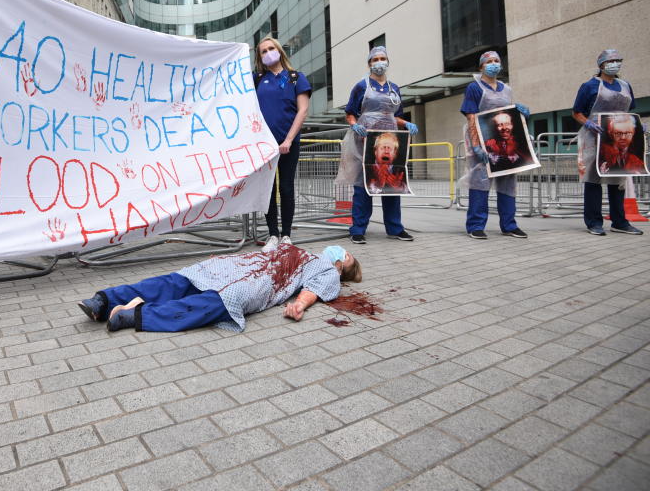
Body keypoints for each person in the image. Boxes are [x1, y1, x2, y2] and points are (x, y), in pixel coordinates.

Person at [77, 244, 362, 332]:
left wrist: (298, 305)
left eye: (346, 255)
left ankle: (136, 315)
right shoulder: (304, 249)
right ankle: (103, 300)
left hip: (266, 280)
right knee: (182, 278)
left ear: (342, 268)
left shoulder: (328, 272)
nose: (340, 251)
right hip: (247, 263)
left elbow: (311, 289)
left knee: (222, 300)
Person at [337, 46, 417, 244]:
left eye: (383, 58)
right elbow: (350, 112)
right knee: (363, 185)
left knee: (391, 183)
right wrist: (355, 126)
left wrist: (406, 123)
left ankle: (395, 228)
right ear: (369, 63)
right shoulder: (361, 86)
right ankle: (357, 229)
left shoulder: (394, 88)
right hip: (365, 141)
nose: (379, 62)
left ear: (388, 62)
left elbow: (395, 116)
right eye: (375, 59)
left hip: (389, 139)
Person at [459, 51, 530, 240]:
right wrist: (476, 145)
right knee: (480, 182)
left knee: (508, 184)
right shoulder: (474, 88)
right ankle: (475, 225)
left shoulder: (506, 89)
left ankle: (509, 225)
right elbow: (471, 117)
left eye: (496, 61)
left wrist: (518, 110)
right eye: (489, 61)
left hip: (506, 144)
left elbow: (506, 113)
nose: (493, 64)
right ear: (481, 66)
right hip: (483, 142)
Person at [573, 49, 644, 236]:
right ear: (602, 65)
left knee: (618, 180)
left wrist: (637, 125)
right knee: (593, 180)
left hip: (618, 137)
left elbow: (630, 111)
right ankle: (594, 222)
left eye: (618, 60)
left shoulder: (625, 85)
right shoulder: (589, 86)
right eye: (611, 60)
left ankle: (619, 222)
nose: (615, 63)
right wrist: (588, 122)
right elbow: (577, 112)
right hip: (593, 138)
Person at [253, 36, 311, 252]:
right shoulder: (257, 79)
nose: (267, 53)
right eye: (262, 51)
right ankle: (273, 235)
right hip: (264, 146)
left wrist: (288, 139)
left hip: (288, 143)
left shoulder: (296, 78)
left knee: (286, 188)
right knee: (268, 189)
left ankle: (286, 235)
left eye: (271, 49)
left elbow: (302, 110)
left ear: (279, 51)